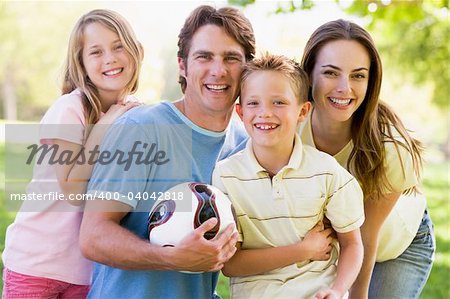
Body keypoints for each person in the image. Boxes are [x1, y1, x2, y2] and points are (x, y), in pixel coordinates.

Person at [78, 5, 256, 298]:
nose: (218, 70)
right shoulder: (141, 129)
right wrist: (171, 258)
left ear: (247, 68)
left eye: (231, 58)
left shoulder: (245, 144)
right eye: (204, 56)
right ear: (183, 66)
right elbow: (93, 236)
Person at [2, 9, 142, 298]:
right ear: (81, 64)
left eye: (118, 46)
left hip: (86, 271)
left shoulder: (131, 115)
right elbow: (73, 189)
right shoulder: (70, 108)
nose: (110, 58)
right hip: (36, 265)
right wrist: (104, 126)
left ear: (136, 51)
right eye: (96, 52)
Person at [299, 19, 435, 299]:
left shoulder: (391, 148)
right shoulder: (291, 129)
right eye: (330, 73)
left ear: (371, 80)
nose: (344, 88)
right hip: (337, 243)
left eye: (358, 75)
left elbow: (365, 238)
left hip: (396, 244)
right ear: (309, 74)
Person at [212, 53, 365, 299]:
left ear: (303, 111)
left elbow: (352, 244)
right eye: (253, 103)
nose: (264, 113)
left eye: (279, 103)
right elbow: (231, 265)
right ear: (240, 113)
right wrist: (302, 250)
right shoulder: (226, 175)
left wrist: (337, 291)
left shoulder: (327, 172)